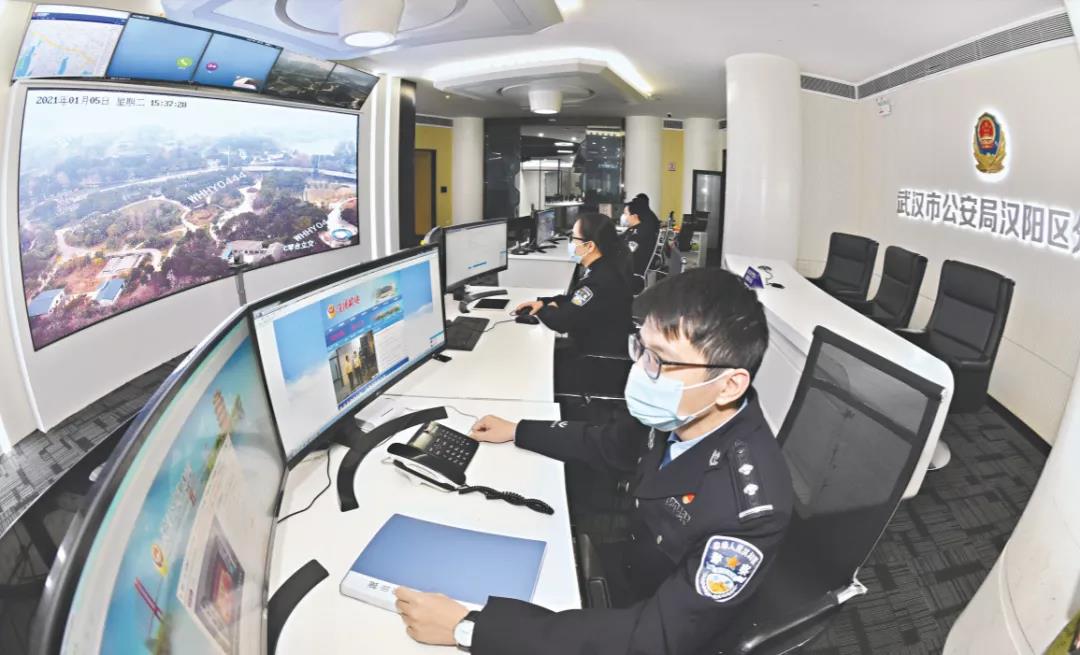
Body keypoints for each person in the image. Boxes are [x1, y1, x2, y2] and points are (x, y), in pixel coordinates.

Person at [394, 268, 795, 654]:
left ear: (729, 385)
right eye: (641, 348)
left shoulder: (748, 512)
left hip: (646, 614)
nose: (641, 371)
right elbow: (611, 445)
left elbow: (652, 639)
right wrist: (520, 430)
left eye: (661, 360)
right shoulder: (682, 411)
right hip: (631, 565)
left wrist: (472, 629)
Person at [513, 212, 633, 357]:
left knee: (532, 353)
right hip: (599, 341)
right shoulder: (602, 268)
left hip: (596, 356)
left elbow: (561, 321)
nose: (570, 243)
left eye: (573, 238)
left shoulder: (599, 281)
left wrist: (546, 309)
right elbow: (574, 299)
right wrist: (544, 302)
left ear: (589, 246)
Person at [621, 195, 661, 284]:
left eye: (626, 214)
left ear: (634, 216)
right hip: (631, 268)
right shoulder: (636, 228)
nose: (624, 217)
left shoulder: (639, 234)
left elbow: (626, 253)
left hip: (632, 274)